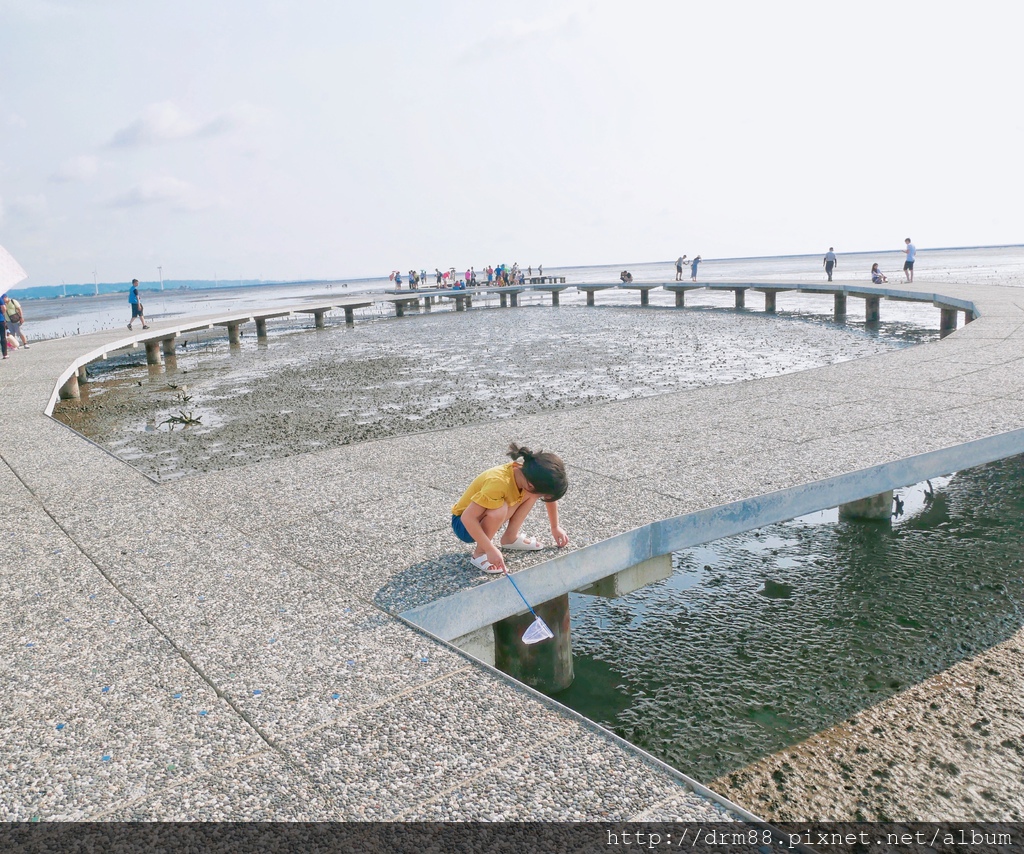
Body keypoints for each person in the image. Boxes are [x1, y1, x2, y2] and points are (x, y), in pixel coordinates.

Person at [450, 443, 569, 574]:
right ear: (531, 485)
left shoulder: (528, 472)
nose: (542, 497)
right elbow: (468, 517)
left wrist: (555, 527)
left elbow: (549, 497)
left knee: (527, 497)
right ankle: (480, 553)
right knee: (499, 510)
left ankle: (510, 538)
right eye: (542, 494)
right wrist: (490, 549)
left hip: (480, 517)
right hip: (464, 525)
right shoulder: (498, 483)